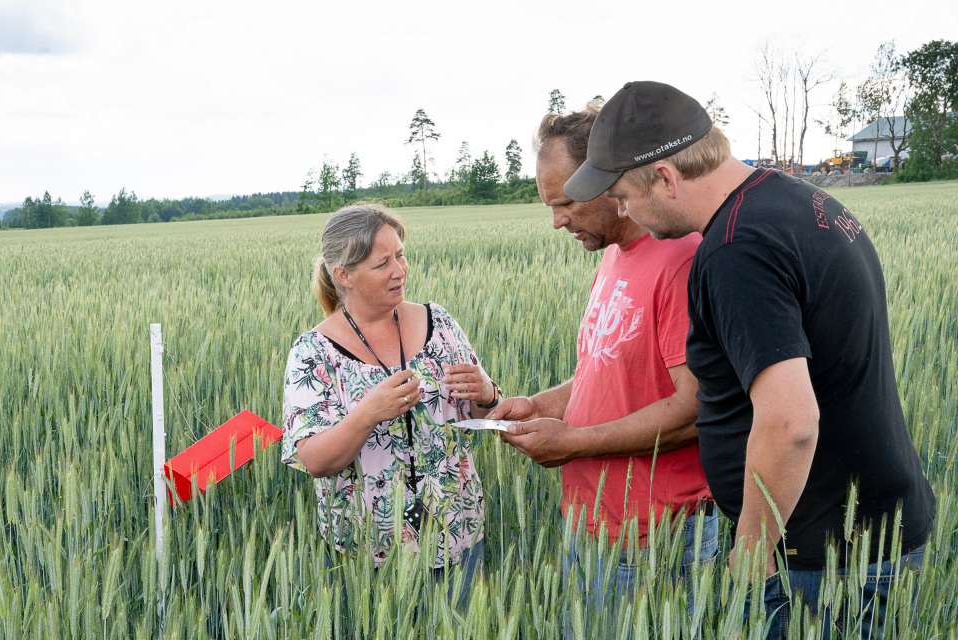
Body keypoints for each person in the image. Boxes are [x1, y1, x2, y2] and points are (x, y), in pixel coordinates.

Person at [564, 80, 936, 640]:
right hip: (868, 530)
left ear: (665, 176)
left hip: (820, 555)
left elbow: (791, 421)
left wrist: (754, 550)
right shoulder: (793, 201)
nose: (621, 210)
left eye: (623, 195)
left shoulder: (737, 250)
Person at [490, 108, 717, 596]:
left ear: (610, 181)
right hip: (593, 525)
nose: (556, 222)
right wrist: (538, 406)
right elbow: (608, 370)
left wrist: (571, 441)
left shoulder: (680, 259)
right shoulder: (615, 254)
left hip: (656, 540)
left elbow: (694, 409)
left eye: (566, 202)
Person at [281, 204, 498, 604]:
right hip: (369, 552)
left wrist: (487, 393)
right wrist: (367, 414)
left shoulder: (441, 324)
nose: (400, 270)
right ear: (343, 275)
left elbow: (484, 417)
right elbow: (313, 459)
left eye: (400, 255)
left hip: (458, 531)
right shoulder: (313, 353)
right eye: (383, 263)